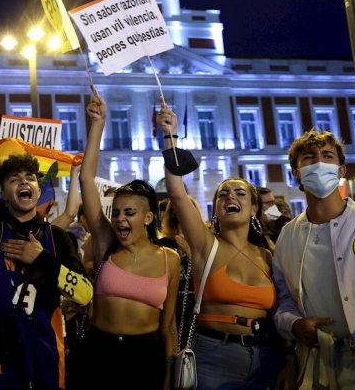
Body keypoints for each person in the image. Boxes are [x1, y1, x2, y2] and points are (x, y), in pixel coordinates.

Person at [0, 88, 92, 390]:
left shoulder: (58, 238)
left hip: (47, 354)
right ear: (4, 194)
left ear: (38, 192)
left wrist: (41, 260)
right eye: (14, 179)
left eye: (30, 178)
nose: (24, 182)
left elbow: (85, 294)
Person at [157, 97, 295, 389]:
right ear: (216, 208)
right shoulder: (206, 245)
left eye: (239, 193)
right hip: (213, 359)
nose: (231, 197)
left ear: (254, 208)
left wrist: (289, 359)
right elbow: (178, 194)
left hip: (266, 357)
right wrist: (170, 137)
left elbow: (284, 308)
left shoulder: (271, 254)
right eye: (223, 194)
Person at [76, 89, 180, 389]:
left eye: (130, 212)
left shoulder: (168, 260)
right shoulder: (106, 243)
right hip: (98, 351)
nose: (120, 218)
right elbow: (86, 179)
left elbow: (168, 325)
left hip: (145, 355)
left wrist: (169, 373)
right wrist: (98, 124)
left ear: (148, 218)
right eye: (117, 212)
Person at [273, 130, 355, 388]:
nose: (320, 163)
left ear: (341, 170)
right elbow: (282, 300)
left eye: (327, 156)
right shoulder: (287, 237)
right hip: (320, 367)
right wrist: (294, 325)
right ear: (296, 173)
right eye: (309, 158)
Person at [159, 196, 199, 350]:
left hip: (193, 305)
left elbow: (208, 275)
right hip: (170, 304)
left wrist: (190, 253)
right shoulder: (163, 245)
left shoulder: (202, 244)